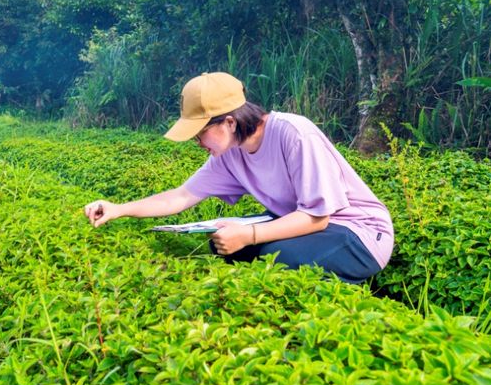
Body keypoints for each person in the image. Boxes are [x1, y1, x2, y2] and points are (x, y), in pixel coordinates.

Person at [85, 72, 393, 283]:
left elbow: (317, 218)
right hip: (310, 225)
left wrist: (251, 234)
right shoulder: (228, 152)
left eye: (200, 133)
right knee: (228, 246)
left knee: (276, 255)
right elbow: (181, 196)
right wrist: (118, 208)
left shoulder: (294, 134)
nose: (198, 143)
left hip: (360, 234)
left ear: (229, 122)